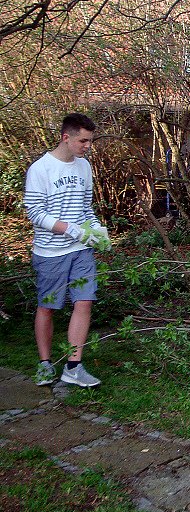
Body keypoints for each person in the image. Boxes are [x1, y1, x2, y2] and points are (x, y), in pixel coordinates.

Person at [24, 113, 111, 388]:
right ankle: (45, 364)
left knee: (84, 301)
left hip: (80, 250)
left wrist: (97, 229)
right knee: (48, 306)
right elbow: (35, 213)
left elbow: (86, 207)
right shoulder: (41, 169)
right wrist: (69, 229)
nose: (87, 146)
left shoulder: (84, 167)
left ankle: (74, 366)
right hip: (50, 253)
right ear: (66, 137)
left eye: (90, 141)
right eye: (83, 141)